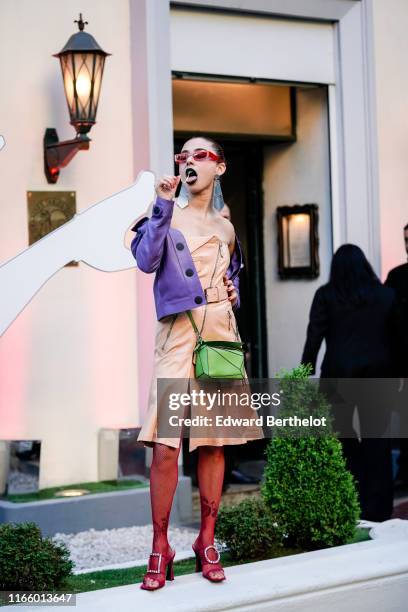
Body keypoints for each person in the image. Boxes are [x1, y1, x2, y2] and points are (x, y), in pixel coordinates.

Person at [130, 136, 263, 590]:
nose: (189, 161)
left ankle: (206, 538)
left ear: (220, 168)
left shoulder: (227, 228)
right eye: (183, 154)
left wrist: (233, 293)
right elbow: (147, 260)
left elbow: (232, 280)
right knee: (166, 444)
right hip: (177, 333)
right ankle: (160, 543)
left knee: (214, 441)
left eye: (200, 155)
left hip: (220, 333)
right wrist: (163, 204)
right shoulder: (164, 212)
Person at [301, 244, 399, 521]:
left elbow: (314, 336)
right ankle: (378, 509)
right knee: (377, 441)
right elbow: (398, 339)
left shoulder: (326, 295)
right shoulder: (386, 296)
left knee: (341, 439)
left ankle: (349, 499)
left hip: (338, 377)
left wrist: (305, 369)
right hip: (379, 377)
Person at [385, 223, 408, 489]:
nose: (406, 244)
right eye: (404, 239)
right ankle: (405, 467)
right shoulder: (397, 276)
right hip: (402, 360)